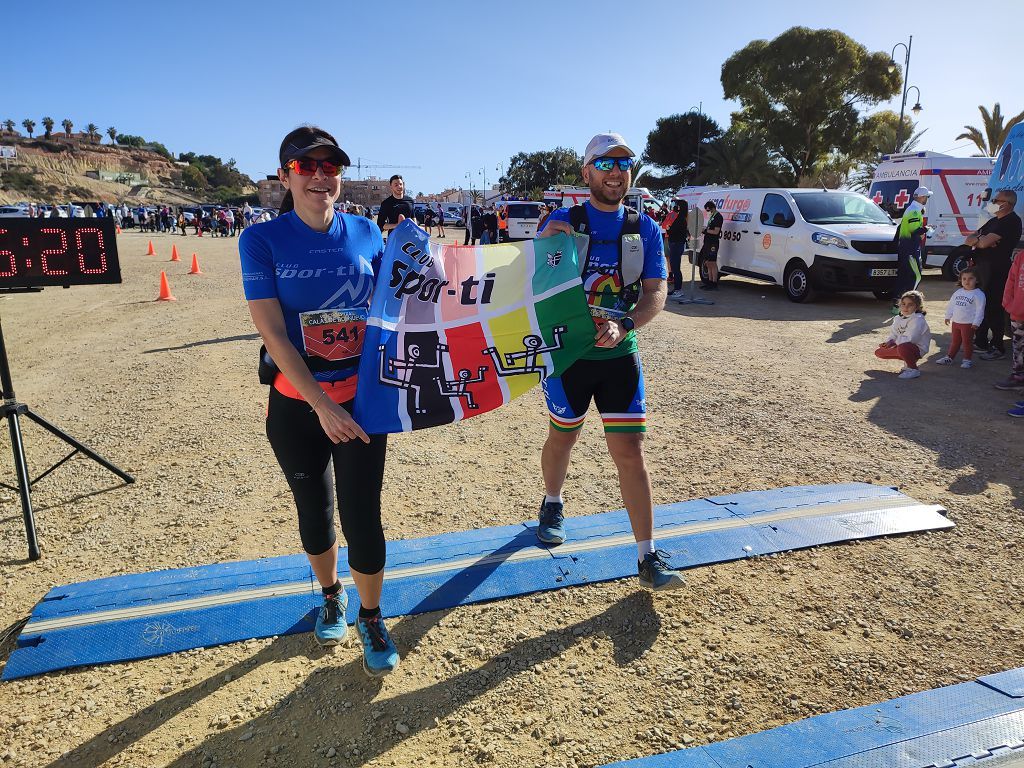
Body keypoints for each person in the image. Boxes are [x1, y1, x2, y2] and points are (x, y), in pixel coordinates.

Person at [239, 126, 399, 676]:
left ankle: (372, 616)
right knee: (316, 511)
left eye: (330, 166)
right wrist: (320, 406)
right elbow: (272, 334)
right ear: (286, 175)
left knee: (364, 516)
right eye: (307, 167)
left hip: (360, 404)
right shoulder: (261, 240)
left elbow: (401, 308)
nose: (320, 176)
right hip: (296, 407)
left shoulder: (367, 233)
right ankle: (332, 594)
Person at [535, 132, 684, 591]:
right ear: (587, 173)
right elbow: (530, 281)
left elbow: (656, 291)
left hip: (620, 355)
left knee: (630, 453)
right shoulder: (562, 220)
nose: (616, 171)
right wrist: (543, 243)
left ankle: (647, 555)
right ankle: (553, 501)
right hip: (569, 357)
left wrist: (628, 324)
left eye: (624, 162)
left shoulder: (646, 228)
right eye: (605, 163)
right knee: (564, 437)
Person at [969, 190, 1023, 360]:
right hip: (983, 268)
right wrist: (981, 240)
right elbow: (970, 238)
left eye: (995, 199)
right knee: (981, 305)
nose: (991, 202)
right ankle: (981, 341)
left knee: (994, 308)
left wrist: (981, 241)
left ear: (1006, 203)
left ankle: (997, 347)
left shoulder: (1011, 221)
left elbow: (982, 242)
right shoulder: (993, 221)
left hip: (997, 270)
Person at [874, 290, 931, 379]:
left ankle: (913, 369)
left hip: (917, 348)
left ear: (917, 307)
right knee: (879, 352)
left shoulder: (918, 319)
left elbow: (911, 339)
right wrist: (888, 343)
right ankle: (907, 363)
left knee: (903, 347)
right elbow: (894, 334)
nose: (906, 307)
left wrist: (893, 343)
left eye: (910, 304)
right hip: (901, 345)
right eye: (903, 304)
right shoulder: (898, 318)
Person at [936, 268, 985, 369]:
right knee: (955, 341)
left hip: (968, 323)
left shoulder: (978, 294)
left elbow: (980, 310)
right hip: (956, 322)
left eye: (970, 278)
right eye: (964, 279)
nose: (967, 281)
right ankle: (949, 357)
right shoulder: (958, 292)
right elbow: (951, 305)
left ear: (977, 280)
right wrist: (948, 316)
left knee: (967, 342)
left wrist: (977, 322)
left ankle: (967, 360)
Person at [892, 187, 931, 313]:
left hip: (906, 248)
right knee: (916, 276)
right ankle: (911, 306)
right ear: (921, 197)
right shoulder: (914, 211)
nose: (927, 199)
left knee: (904, 277)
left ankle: (898, 306)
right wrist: (927, 228)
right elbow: (914, 230)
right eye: (926, 197)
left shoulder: (912, 209)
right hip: (910, 249)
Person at [996, 245, 1024, 401]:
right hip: (1018, 313)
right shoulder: (1021, 257)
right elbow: (1011, 280)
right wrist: (1009, 303)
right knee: (1018, 347)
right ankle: (1018, 377)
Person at [376, 174, 414, 239]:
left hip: (410, 237)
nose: (399, 186)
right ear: (391, 187)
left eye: (401, 184)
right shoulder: (386, 203)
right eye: (396, 185)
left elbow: (413, 217)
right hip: (394, 239)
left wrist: (416, 228)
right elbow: (381, 224)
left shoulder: (410, 200)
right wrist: (397, 225)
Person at [666, 201, 690, 298]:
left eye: (677, 205)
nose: (676, 207)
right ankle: (676, 289)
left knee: (676, 267)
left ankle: (678, 290)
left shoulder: (681, 218)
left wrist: (668, 229)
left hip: (677, 244)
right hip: (675, 244)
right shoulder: (681, 217)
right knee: (674, 266)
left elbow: (673, 230)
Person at [698, 200, 722, 290]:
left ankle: (714, 283)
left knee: (712, 262)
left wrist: (705, 231)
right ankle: (709, 281)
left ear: (712, 208)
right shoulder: (712, 216)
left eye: (708, 210)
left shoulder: (718, 217)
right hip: (707, 242)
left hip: (713, 243)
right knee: (707, 262)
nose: (708, 212)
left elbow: (716, 231)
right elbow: (709, 228)